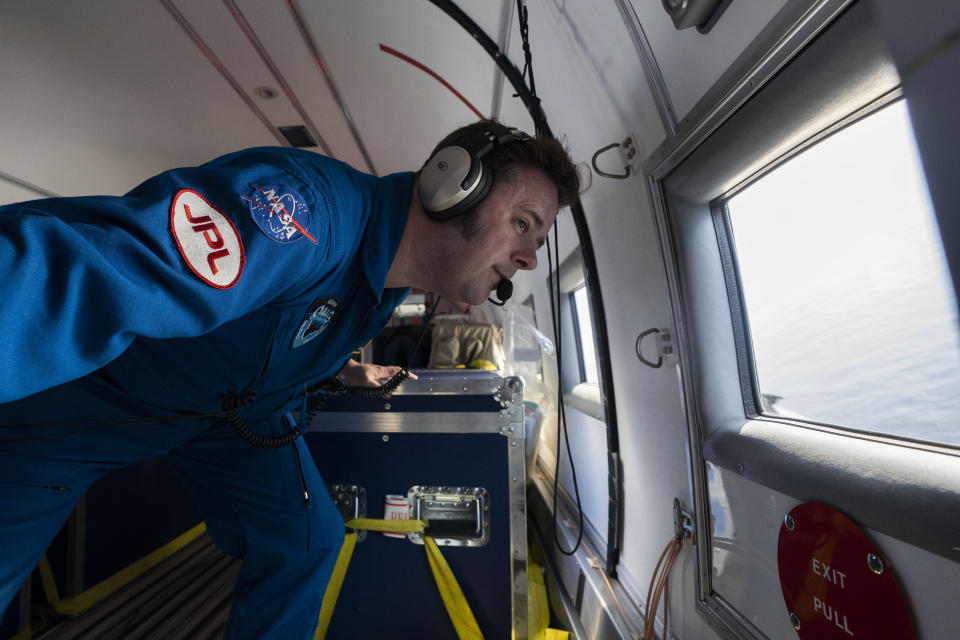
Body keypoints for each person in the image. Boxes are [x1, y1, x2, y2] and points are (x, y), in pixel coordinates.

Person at [0, 119, 579, 638]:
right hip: (69, 415)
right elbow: (86, 274)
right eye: (522, 223)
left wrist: (345, 368)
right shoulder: (303, 213)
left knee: (307, 539)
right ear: (451, 186)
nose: (528, 257)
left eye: (538, 241)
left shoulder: (382, 289)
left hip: (219, 420)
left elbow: (283, 333)